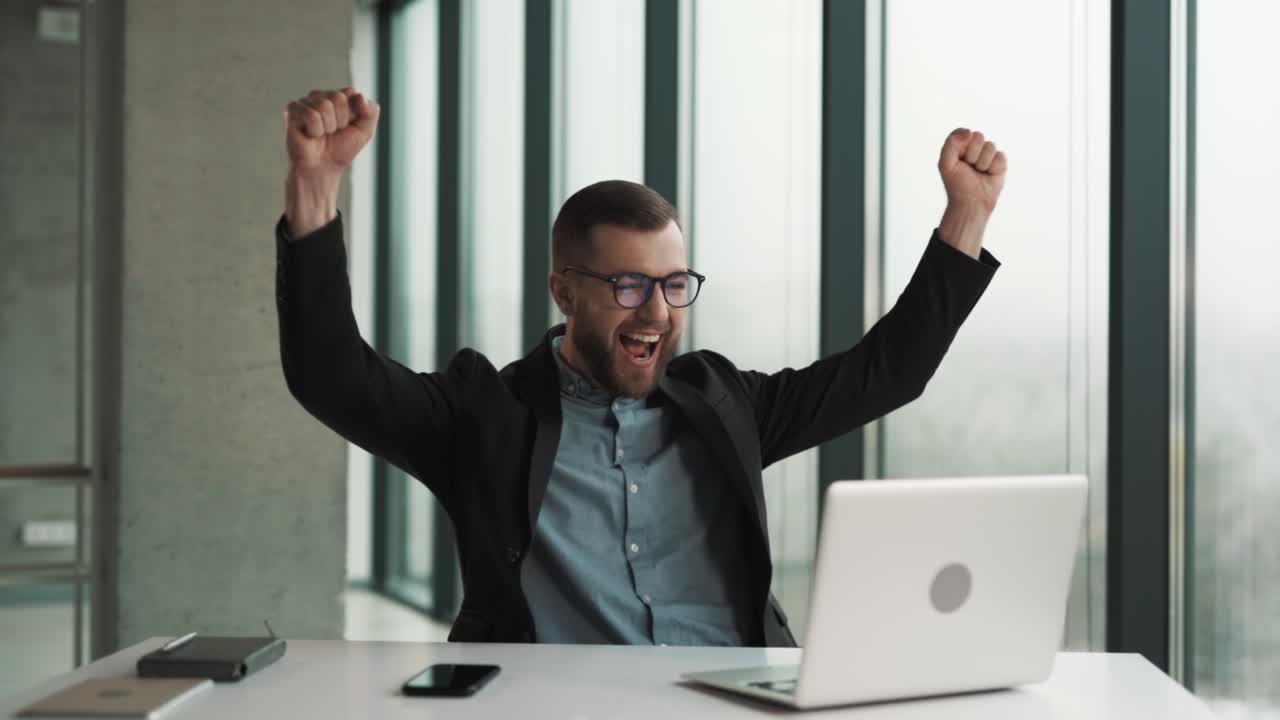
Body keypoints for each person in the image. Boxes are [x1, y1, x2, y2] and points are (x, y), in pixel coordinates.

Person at [276, 87, 1005, 646]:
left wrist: (965, 218)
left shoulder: (723, 402)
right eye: (628, 286)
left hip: (735, 697)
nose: (656, 313)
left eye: (673, 284)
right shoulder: (485, 414)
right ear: (564, 289)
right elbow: (334, 377)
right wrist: (315, 187)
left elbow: (886, 374)